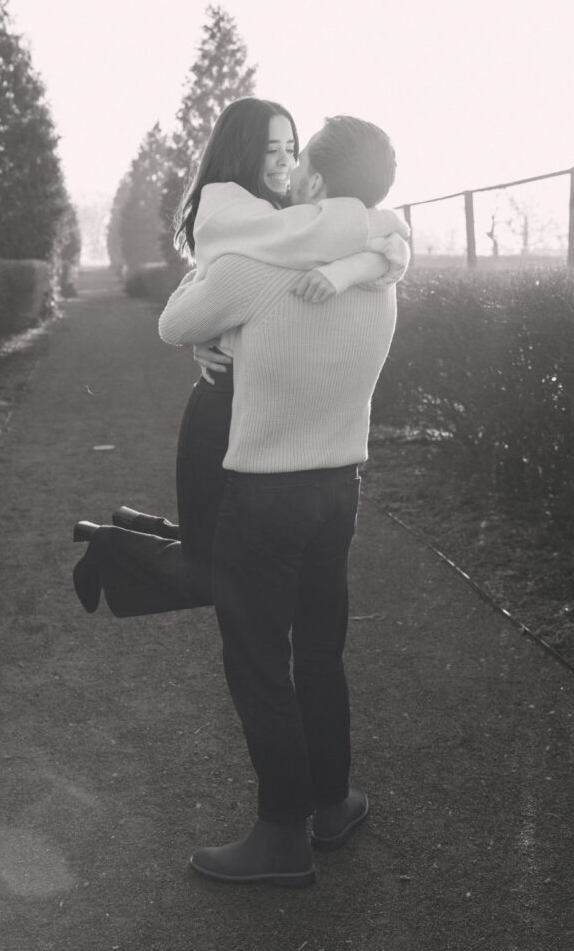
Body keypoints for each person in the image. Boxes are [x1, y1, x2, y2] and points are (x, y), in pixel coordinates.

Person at [156, 114, 407, 887]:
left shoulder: (253, 268)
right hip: (341, 490)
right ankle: (331, 805)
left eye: (299, 164)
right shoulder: (381, 269)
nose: (287, 172)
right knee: (321, 653)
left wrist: (218, 315)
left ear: (318, 185)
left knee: (259, 662)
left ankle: (279, 834)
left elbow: (174, 323)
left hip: (266, 498)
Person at [72, 99, 408, 617]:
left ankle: (130, 534)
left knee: (232, 564)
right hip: (224, 413)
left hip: (267, 419)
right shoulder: (243, 217)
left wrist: (357, 262)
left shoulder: (291, 217)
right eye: (271, 149)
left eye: (292, 149)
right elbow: (194, 310)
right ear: (243, 153)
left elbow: (381, 252)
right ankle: (111, 544)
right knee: (218, 572)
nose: (285, 162)